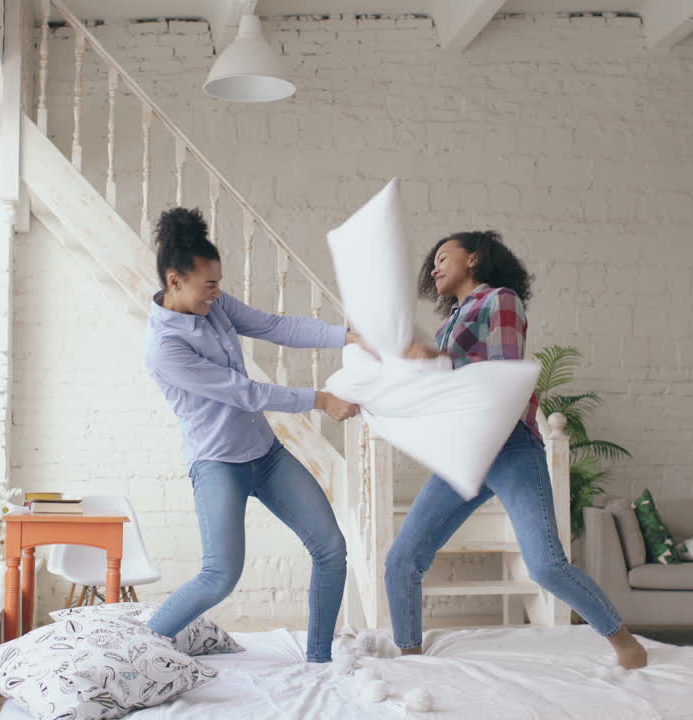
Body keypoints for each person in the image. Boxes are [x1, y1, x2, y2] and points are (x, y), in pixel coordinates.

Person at [387, 230, 648, 669]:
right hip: (465, 450)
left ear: (474, 258)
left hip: (509, 446)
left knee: (545, 565)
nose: (434, 267)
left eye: (443, 257)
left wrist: (433, 362)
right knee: (402, 559)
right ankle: (410, 659)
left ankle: (624, 641)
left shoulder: (500, 300)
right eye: (432, 262)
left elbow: (503, 371)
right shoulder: (448, 322)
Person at [142, 207, 360, 663]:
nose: (217, 294)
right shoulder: (166, 348)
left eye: (219, 283)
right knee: (220, 575)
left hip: (266, 454)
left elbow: (274, 325)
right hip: (219, 464)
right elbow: (244, 392)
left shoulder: (214, 304)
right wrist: (320, 399)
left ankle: (318, 660)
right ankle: (137, 650)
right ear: (174, 280)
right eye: (209, 285)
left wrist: (347, 336)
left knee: (331, 548)